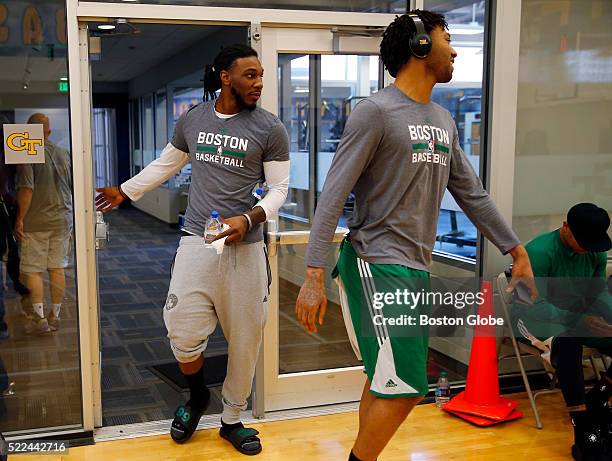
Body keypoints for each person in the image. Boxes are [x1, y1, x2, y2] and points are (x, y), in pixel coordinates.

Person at [295, 10, 537, 461]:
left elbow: (473, 195)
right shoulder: (375, 113)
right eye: (447, 38)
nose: (456, 49)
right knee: (406, 388)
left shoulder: (443, 120)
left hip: (413, 268)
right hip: (376, 264)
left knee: (384, 379)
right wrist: (313, 274)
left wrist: (515, 248)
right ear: (420, 45)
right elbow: (333, 195)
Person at [95, 44, 289, 456]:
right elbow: (168, 162)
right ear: (225, 76)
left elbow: (279, 191)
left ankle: (233, 419)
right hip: (198, 242)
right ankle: (198, 395)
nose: (258, 83)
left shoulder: (269, 128)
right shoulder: (195, 119)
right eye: (249, 75)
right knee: (181, 331)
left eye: (260, 76)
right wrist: (125, 192)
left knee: (245, 340)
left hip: (246, 248)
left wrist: (249, 218)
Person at [511, 203, 612, 461]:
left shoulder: (594, 252)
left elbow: (598, 292)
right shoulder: (537, 252)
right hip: (532, 320)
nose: (588, 248)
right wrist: (578, 320)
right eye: (584, 240)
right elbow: (530, 306)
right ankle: (581, 426)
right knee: (568, 342)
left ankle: (598, 396)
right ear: (565, 227)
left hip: (577, 319)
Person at [15, 113, 73, 334]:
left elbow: (26, 189)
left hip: (37, 221)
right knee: (57, 266)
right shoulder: (63, 153)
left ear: (30, 132)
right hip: (62, 219)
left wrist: (19, 219)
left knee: (34, 270)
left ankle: (40, 319)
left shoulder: (27, 153)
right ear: (48, 131)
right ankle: (55, 316)